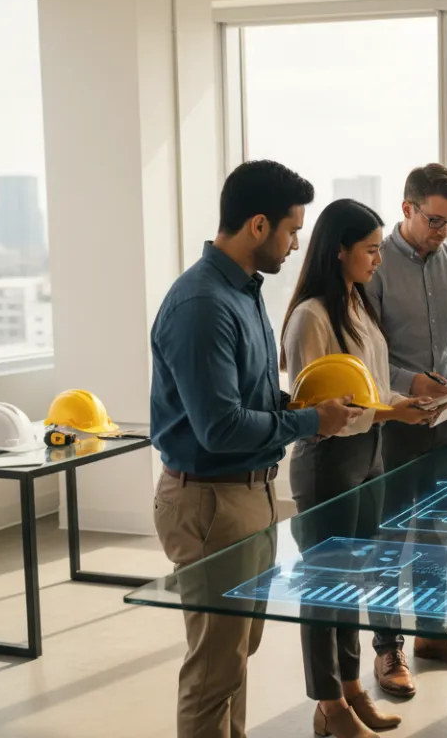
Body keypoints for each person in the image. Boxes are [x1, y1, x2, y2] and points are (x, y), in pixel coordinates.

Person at [150, 160, 360, 738]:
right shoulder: (202, 305)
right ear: (259, 225)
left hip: (248, 494)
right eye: (293, 231)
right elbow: (220, 428)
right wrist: (313, 420)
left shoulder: (243, 294)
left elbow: (253, 400)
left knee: (236, 657)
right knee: (213, 670)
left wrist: (303, 408)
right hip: (211, 500)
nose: (297, 245)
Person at [281, 199, 444, 737]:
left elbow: (368, 388)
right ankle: (328, 706)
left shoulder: (356, 305)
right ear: (340, 251)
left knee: (352, 582)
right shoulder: (310, 316)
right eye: (371, 249)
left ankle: (350, 690)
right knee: (323, 589)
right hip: (328, 461)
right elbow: (317, 412)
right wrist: (389, 410)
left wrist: (404, 404)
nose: (378, 259)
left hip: (369, 454)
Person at [365, 163, 447, 695]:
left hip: (445, 426)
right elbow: (365, 351)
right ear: (407, 210)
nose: (442, 230)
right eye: (434, 219)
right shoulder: (373, 265)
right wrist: (408, 381)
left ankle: (433, 635)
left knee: (440, 534)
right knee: (389, 539)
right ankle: (387, 649)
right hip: (391, 421)